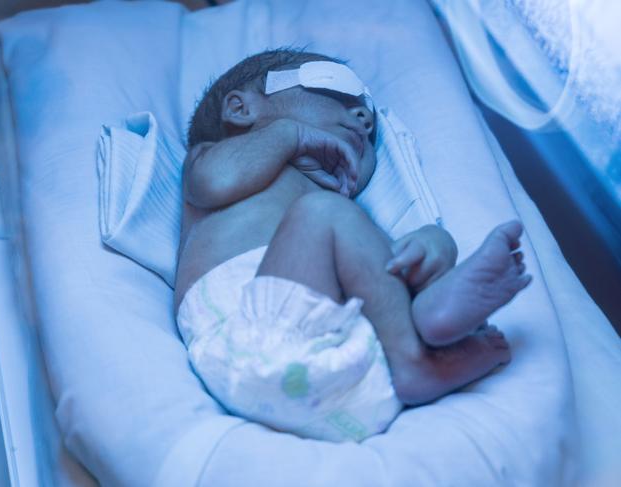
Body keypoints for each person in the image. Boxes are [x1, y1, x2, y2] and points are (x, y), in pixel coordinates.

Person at [174, 48, 532, 440]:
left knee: (423, 245)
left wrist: (429, 250)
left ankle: (435, 320)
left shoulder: (337, 217)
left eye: (371, 129)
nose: (364, 118)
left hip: (351, 379)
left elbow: (378, 280)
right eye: (336, 92)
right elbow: (215, 182)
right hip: (248, 345)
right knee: (323, 214)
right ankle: (418, 358)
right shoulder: (210, 162)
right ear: (241, 109)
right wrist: (288, 134)